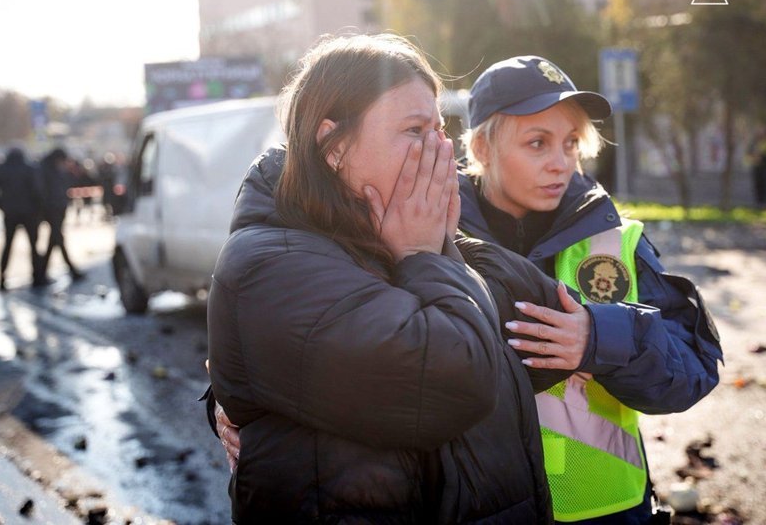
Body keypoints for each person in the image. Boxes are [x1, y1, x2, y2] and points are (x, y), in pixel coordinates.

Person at [207, 34, 596, 523]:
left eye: (439, 129)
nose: (440, 149)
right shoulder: (272, 263)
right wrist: (423, 254)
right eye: (415, 130)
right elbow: (457, 381)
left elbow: (545, 321)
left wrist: (438, 244)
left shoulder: (395, 237)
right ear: (334, 146)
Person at [457, 56, 723, 523]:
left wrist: (601, 338)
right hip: (476, 507)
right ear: (482, 147)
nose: (560, 163)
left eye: (571, 143)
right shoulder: (433, 238)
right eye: (537, 143)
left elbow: (692, 373)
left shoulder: (616, 241)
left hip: (604, 508)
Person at [0, 147, 46, 290]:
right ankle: (37, 277)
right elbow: (38, 191)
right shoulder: (29, 168)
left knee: (8, 245)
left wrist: (2, 205)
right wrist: (38, 210)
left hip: (10, 212)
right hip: (29, 213)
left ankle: (2, 278)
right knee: (33, 246)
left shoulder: (2, 169)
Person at [39, 147, 84, 281]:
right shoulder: (47, 171)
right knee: (58, 239)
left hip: (57, 209)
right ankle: (71, 270)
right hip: (53, 210)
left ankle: (41, 272)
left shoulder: (54, 170)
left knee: (54, 240)